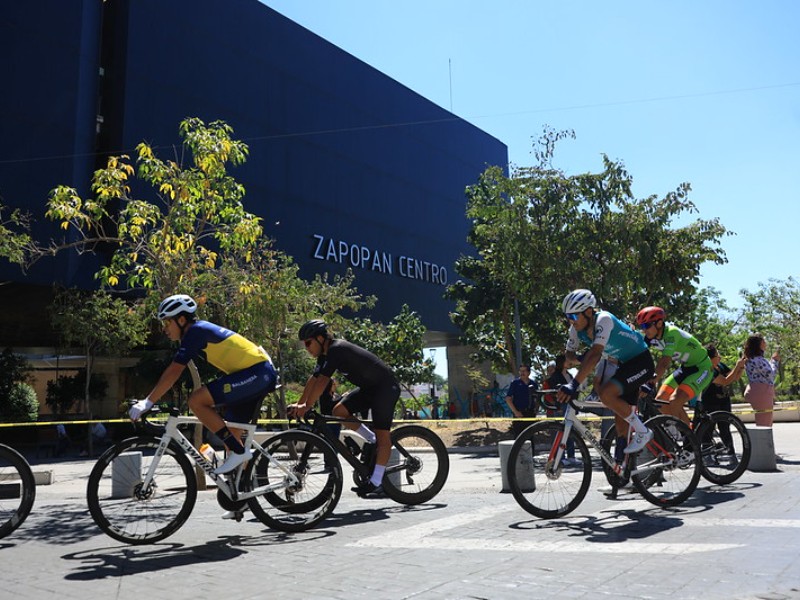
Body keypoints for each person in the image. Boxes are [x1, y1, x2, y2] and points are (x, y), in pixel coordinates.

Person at [129, 294, 278, 478]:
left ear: (182, 320)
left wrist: (148, 401)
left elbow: (174, 370)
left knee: (197, 400)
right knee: (231, 435)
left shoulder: (196, 331)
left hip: (258, 373)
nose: (164, 329)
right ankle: (244, 488)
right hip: (253, 374)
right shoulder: (195, 333)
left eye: (167, 323)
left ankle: (240, 454)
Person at [290, 319, 400, 499]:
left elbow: (323, 381)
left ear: (319, 338)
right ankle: (370, 438)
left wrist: (307, 405)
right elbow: (314, 379)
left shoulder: (336, 349)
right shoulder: (325, 354)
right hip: (369, 389)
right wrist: (300, 403)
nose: (306, 348)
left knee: (383, 438)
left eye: (308, 343)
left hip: (385, 388)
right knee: (339, 411)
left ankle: (377, 482)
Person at [557, 289, 654, 455]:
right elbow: (569, 355)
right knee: (620, 415)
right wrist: (580, 359)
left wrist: (574, 384)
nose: (570, 321)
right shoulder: (575, 330)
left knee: (606, 394)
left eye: (573, 316)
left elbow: (595, 354)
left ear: (588, 312)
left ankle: (643, 432)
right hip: (624, 364)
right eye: (567, 317)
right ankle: (623, 466)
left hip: (641, 361)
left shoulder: (604, 319)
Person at [636, 306, 714, 426]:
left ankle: (689, 439)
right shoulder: (650, 338)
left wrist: (651, 383)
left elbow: (664, 362)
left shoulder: (671, 333)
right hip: (686, 368)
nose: (644, 330)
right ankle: (685, 432)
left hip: (702, 367)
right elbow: (639, 356)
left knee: (675, 400)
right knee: (660, 401)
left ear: (659, 323)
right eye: (642, 327)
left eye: (646, 326)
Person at [693, 343, 747, 453]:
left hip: (724, 401)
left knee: (725, 427)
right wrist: (737, 366)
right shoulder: (708, 370)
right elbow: (725, 381)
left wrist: (741, 367)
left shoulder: (721, 366)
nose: (720, 357)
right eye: (718, 355)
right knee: (708, 428)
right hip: (710, 402)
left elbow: (734, 377)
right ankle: (707, 453)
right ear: (711, 358)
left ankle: (730, 450)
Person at [743, 334, 780, 427]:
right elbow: (770, 374)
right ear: (758, 344)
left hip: (756, 390)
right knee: (765, 423)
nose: (765, 343)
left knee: (763, 421)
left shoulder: (751, 359)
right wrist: (774, 361)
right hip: (762, 392)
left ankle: (763, 441)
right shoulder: (758, 359)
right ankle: (763, 441)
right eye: (763, 341)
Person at [546, 354, 577, 464]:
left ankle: (571, 456)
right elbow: (553, 392)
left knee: (570, 431)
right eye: (567, 360)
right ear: (561, 362)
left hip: (570, 406)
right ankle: (561, 457)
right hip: (560, 406)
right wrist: (556, 405)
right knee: (560, 431)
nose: (569, 362)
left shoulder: (569, 375)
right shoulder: (555, 376)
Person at [504, 364, 538, 438]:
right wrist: (515, 412)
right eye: (520, 371)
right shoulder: (515, 383)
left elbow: (537, 398)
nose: (522, 373)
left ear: (529, 372)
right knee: (518, 437)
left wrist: (536, 410)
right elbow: (508, 398)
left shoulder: (533, 384)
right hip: (519, 414)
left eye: (524, 371)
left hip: (530, 414)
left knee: (530, 437)